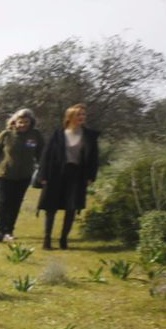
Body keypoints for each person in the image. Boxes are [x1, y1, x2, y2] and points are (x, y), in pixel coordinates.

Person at [37, 103, 100, 250]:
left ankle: (63, 239)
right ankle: (47, 239)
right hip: (56, 173)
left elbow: (94, 158)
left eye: (83, 115)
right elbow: (46, 155)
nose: (82, 117)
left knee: (71, 207)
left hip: (77, 175)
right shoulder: (59, 134)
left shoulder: (89, 135)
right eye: (78, 114)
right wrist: (43, 174)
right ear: (70, 117)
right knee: (50, 207)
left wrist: (91, 176)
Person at [0, 108, 42, 242]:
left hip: (24, 177)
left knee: (15, 203)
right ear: (14, 122)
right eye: (20, 122)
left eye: (26, 122)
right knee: (3, 202)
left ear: (31, 122)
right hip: (3, 175)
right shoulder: (6, 135)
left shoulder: (35, 135)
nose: (23, 125)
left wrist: (44, 172)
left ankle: (9, 231)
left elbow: (41, 155)